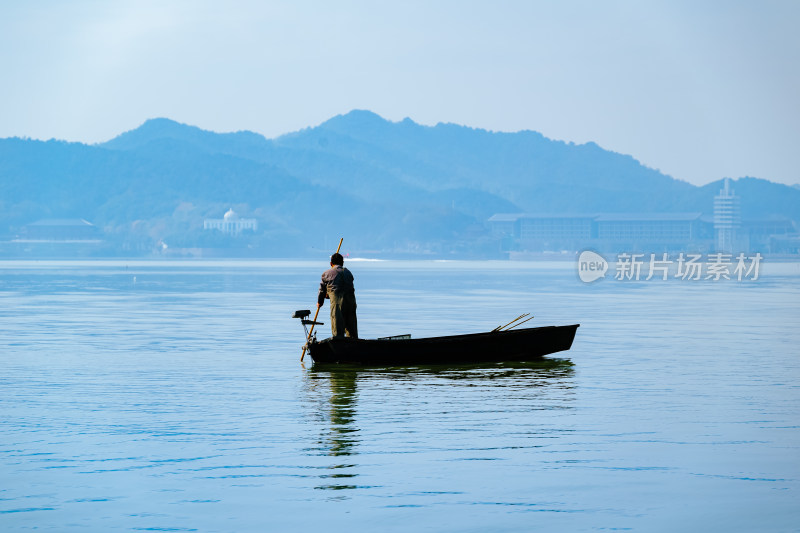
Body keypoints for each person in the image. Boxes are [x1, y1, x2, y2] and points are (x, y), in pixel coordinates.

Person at [317, 252, 358, 339]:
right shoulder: (348, 273)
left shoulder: (326, 274)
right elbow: (343, 286)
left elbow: (322, 291)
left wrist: (320, 302)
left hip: (337, 305)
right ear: (342, 263)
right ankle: (353, 346)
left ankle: (339, 347)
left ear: (331, 263)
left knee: (338, 330)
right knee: (352, 330)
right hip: (351, 303)